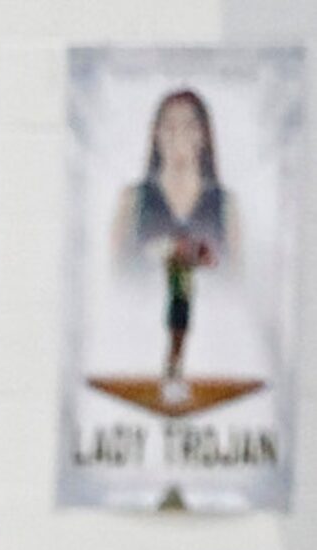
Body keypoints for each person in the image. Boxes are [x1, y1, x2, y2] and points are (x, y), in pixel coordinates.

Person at [115, 88, 235, 270]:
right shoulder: (131, 199)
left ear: (203, 135)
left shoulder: (226, 205)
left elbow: (236, 279)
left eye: (189, 126)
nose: (178, 134)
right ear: (156, 133)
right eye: (169, 126)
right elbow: (116, 272)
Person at [161, 232, 213, 405]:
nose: (183, 248)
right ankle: (170, 376)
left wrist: (202, 251)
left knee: (181, 342)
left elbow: (208, 262)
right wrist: (194, 252)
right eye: (180, 245)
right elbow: (176, 261)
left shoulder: (186, 261)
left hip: (185, 304)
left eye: (184, 245)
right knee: (175, 342)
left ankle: (176, 375)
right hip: (177, 303)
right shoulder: (174, 261)